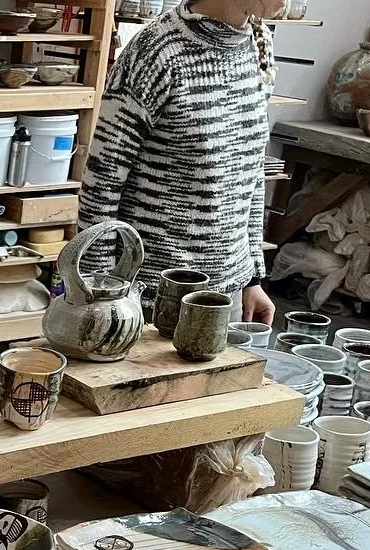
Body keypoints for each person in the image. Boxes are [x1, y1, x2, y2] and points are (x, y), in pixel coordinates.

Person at [77, 0, 282, 323]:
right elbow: (101, 184)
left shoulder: (259, 42)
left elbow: (250, 169)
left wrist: (252, 277)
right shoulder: (156, 51)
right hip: (149, 301)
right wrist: (98, 296)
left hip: (226, 298)